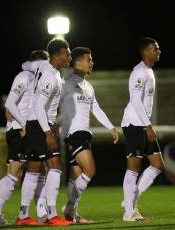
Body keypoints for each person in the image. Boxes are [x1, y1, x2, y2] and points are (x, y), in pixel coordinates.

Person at [0, 50, 48, 225]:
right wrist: (24, 124)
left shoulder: (35, 79)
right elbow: (10, 103)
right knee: (15, 174)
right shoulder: (24, 76)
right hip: (18, 131)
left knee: (17, 173)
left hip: (22, 130)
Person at [59, 47, 119, 223]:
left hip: (85, 134)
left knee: (75, 176)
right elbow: (51, 102)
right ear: (77, 62)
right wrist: (49, 122)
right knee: (90, 170)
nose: (92, 63)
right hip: (74, 134)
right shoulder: (65, 83)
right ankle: (69, 207)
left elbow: (96, 108)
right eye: (89, 59)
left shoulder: (88, 86)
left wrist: (110, 127)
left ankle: (72, 215)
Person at [23, 38, 73, 226]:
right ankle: (51, 215)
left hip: (37, 123)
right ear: (57, 55)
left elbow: (27, 64)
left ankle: (25, 215)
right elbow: (38, 106)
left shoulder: (49, 70)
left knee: (34, 170)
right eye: (67, 53)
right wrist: (47, 132)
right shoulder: (51, 76)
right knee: (55, 168)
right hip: (39, 125)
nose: (69, 57)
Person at [121, 37, 165, 221]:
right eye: (156, 49)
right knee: (134, 168)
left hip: (142, 123)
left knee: (158, 164)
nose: (159, 51)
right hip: (134, 124)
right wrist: (148, 126)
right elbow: (136, 101)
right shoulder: (139, 72)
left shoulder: (148, 71)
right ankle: (129, 213)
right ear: (146, 52)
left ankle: (130, 201)